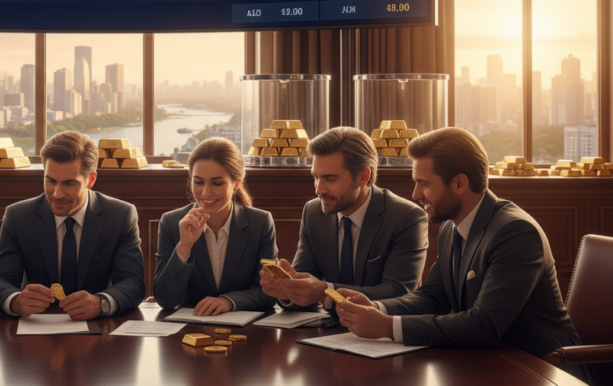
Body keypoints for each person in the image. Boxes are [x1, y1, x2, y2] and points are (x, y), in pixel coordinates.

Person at [333, 127, 588, 383]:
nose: (415, 194)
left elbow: (484, 325)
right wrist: (377, 307)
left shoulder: (516, 232)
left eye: (423, 183)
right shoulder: (450, 227)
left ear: (459, 183)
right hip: (490, 364)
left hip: (544, 370)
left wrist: (387, 326)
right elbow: (433, 296)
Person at [260, 127, 428, 314]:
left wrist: (325, 292)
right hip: (326, 332)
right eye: (316, 178)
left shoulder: (406, 217)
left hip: (383, 334)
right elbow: (306, 286)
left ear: (363, 177)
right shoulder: (313, 211)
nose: (319, 190)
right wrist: (288, 291)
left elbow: (398, 292)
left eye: (330, 179)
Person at [0, 131, 145, 320]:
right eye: (50, 181)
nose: (57, 194)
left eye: (69, 183)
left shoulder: (120, 215)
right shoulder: (18, 216)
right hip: (36, 329)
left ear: (91, 180)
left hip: (100, 329)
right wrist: (15, 301)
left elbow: (133, 282)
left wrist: (100, 303)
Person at [154, 137, 278, 314]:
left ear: (236, 184)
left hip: (247, 332)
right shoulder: (171, 222)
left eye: (217, 183)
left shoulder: (261, 223)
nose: (205, 192)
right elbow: (165, 299)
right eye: (198, 182)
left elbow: (268, 292)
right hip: (188, 330)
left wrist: (229, 301)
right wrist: (184, 247)